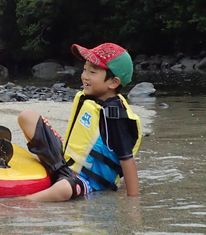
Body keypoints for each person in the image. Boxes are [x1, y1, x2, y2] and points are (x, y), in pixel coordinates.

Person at [18, 43, 142, 201]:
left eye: (92, 72)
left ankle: (24, 202)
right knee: (27, 116)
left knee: (63, 190)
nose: (84, 76)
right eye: (84, 69)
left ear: (113, 83)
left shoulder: (116, 116)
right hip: (64, 162)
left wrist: (133, 202)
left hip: (87, 181)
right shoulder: (91, 99)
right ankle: (49, 167)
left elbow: (127, 159)